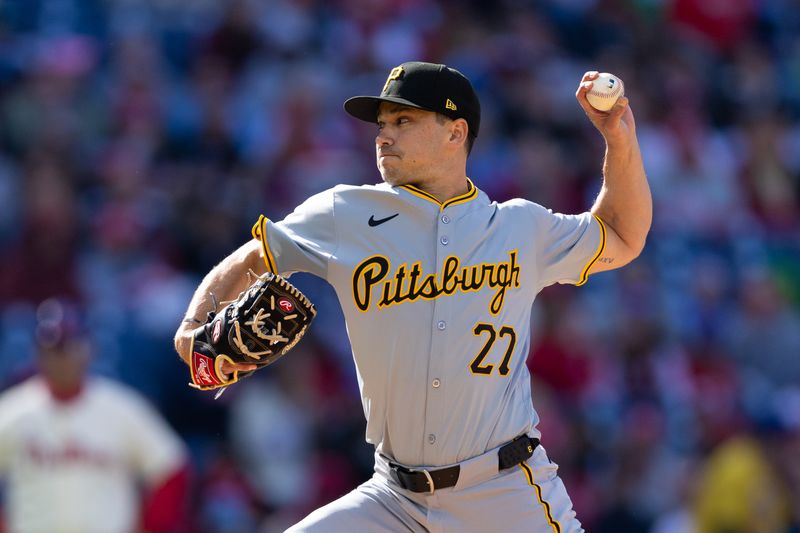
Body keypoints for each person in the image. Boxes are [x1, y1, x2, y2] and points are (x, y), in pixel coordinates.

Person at [174, 61, 651, 532]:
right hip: (393, 499)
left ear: (455, 132)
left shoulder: (520, 227)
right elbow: (253, 257)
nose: (384, 136)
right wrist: (194, 326)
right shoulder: (347, 212)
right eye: (382, 124)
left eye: (404, 121)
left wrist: (619, 138)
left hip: (502, 494)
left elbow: (622, 235)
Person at [0, 298, 190, 533]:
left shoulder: (122, 407)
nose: (62, 358)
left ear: (88, 349)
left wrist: (151, 525)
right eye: (54, 350)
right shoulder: (14, 410)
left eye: (69, 347)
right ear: (38, 354)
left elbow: (171, 466)